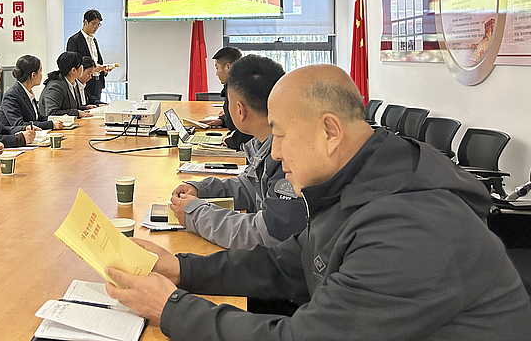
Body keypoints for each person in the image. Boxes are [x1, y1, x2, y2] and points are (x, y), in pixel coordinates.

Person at [105, 64, 531, 340]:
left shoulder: (410, 226)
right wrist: (180, 269)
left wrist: (170, 308)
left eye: (281, 134)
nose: (274, 152)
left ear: (329, 132)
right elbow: (288, 263)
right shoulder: (360, 175)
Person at [169, 54, 304, 250]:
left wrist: (195, 214)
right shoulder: (264, 143)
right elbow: (250, 187)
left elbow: (265, 235)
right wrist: (202, 190)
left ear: (240, 110)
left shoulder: (289, 158)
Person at [201, 47, 253, 150]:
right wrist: (223, 120)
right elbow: (237, 118)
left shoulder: (239, 90)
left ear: (228, 67)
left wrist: (230, 141)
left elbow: (248, 126)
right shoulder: (234, 85)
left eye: (217, 68)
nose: (216, 73)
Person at [0, 54, 65, 131]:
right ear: (33, 75)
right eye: (40, 71)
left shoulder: (28, 92)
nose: (42, 74)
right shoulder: (11, 95)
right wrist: (51, 125)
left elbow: (38, 118)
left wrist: (58, 119)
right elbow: (19, 124)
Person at [66, 9, 108, 104]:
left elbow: (96, 60)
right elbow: (72, 63)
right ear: (85, 22)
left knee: (97, 107)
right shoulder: (74, 40)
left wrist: (103, 69)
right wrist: (93, 68)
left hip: (97, 82)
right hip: (83, 82)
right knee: (85, 107)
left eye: (98, 24)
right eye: (94, 24)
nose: (96, 27)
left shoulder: (94, 40)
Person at [38, 52, 91, 119]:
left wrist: (85, 108)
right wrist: (77, 113)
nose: (82, 67)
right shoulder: (56, 86)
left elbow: (70, 107)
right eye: (81, 65)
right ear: (73, 70)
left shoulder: (73, 83)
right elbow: (52, 113)